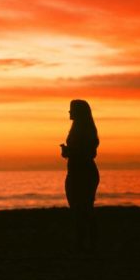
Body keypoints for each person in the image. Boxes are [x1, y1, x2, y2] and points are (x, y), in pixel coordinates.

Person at [60, 99, 99, 253]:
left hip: (83, 172)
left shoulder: (85, 131)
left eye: (71, 109)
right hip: (79, 171)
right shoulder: (80, 129)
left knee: (82, 208)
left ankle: (85, 243)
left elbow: (88, 153)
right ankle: (85, 242)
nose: (69, 112)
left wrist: (69, 152)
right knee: (81, 208)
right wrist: (68, 152)